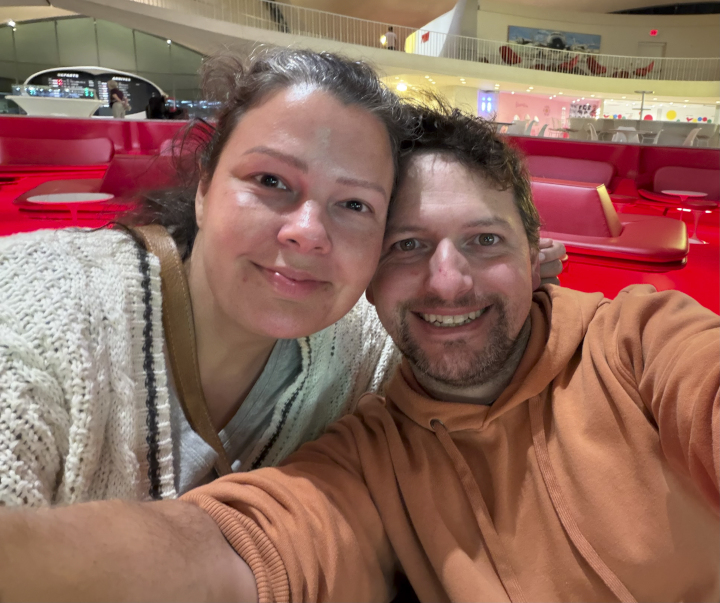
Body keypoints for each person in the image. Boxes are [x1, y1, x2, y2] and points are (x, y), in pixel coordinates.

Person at [0, 104, 715, 602]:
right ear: (367, 277)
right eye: (407, 246)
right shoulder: (371, 457)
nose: (448, 281)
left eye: (484, 240)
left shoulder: (641, 342)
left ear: (538, 258)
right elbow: (236, 548)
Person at [0, 47, 571, 508]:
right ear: (205, 187)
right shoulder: (39, 312)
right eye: (270, 181)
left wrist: (508, 276)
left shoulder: (356, 346)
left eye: (354, 204)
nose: (307, 232)